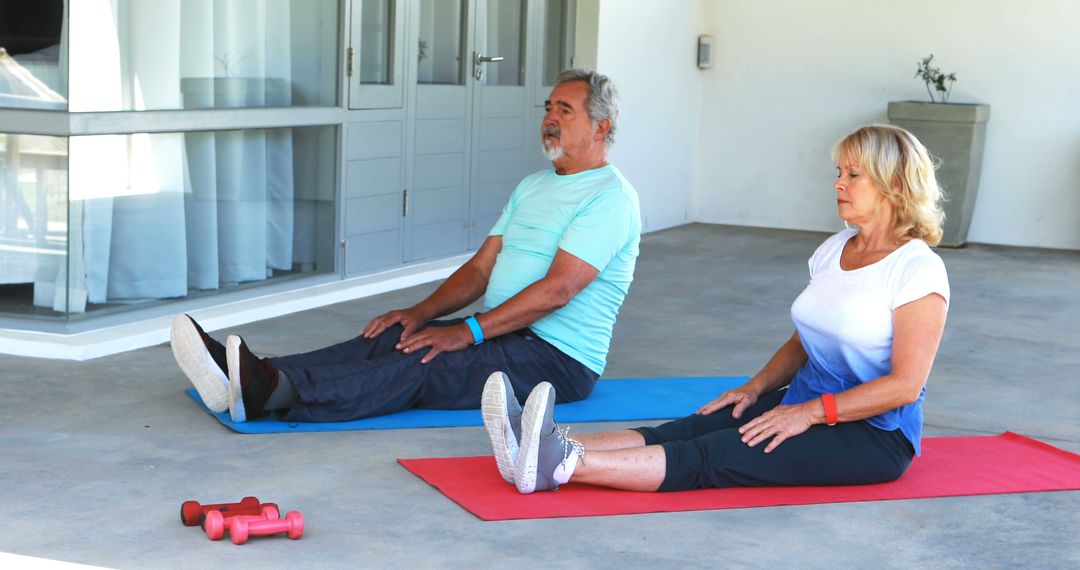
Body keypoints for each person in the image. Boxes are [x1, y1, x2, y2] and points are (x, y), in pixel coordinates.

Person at [483, 124, 950, 494]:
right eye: (839, 172)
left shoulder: (916, 270)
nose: (838, 183)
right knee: (690, 428)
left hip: (871, 434)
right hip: (804, 399)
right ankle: (534, 446)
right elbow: (804, 341)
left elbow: (906, 386)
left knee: (717, 453)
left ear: (892, 185)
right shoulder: (834, 249)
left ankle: (559, 466)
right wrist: (754, 388)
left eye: (853, 175)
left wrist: (807, 414)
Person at [171, 69, 642, 431]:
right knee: (393, 337)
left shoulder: (610, 198)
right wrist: (419, 312)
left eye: (565, 110)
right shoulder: (535, 185)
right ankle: (249, 374)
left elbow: (557, 291)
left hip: (557, 358)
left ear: (601, 127)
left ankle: (278, 395)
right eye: (548, 108)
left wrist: (470, 332)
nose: (550, 119)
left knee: (425, 361)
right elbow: (481, 269)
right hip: (506, 334)